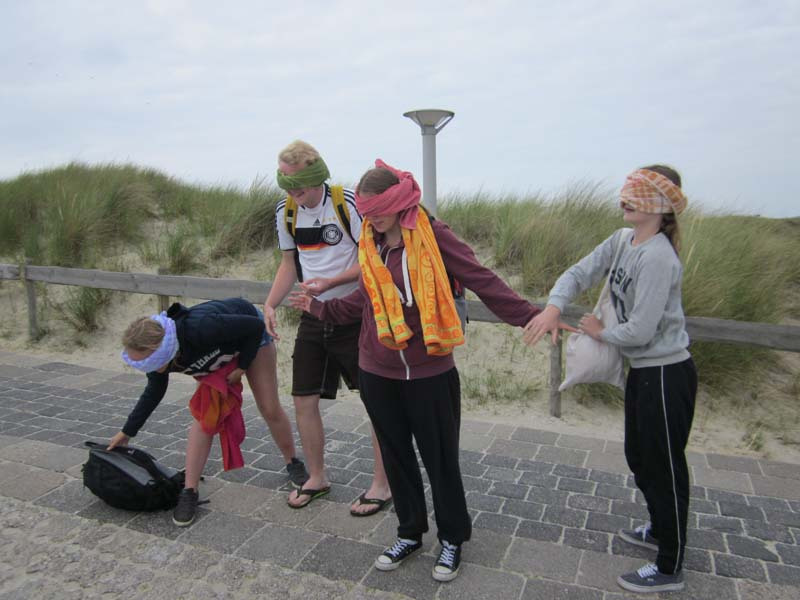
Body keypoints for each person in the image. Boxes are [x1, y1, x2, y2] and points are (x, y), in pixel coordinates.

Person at [289, 160, 573, 582]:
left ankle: (452, 538)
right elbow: (367, 299)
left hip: (429, 371)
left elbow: (481, 279)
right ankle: (409, 532)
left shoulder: (433, 235)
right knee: (395, 457)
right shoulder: (371, 241)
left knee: (440, 461)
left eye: (377, 210)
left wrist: (529, 315)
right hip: (376, 369)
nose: (370, 219)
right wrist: (321, 309)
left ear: (398, 201)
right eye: (365, 212)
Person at [524, 165, 696, 594]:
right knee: (639, 458)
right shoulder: (623, 241)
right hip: (643, 372)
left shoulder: (658, 257)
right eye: (626, 191)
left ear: (660, 204)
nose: (625, 199)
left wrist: (600, 333)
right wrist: (553, 306)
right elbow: (578, 273)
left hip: (666, 373)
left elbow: (641, 330)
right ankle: (659, 529)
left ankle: (669, 564)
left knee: (664, 466)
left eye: (636, 193)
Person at [265, 140, 392, 514]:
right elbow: (289, 263)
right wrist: (270, 304)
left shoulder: (347, 203)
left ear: (315, 175)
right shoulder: (286, 211)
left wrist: (331, 283)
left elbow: (371, 259)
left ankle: (382, 484)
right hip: (312, 315)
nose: (293, 192)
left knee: (376, 401)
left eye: (298, 185)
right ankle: (317, 477)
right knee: (303, 399)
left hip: (354, 316)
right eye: (285, 184)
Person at [108, 297, 307, 526]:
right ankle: (189, 491)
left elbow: (254, 327)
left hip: (249, 337)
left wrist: (242, 366)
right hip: (215, 353)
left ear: (159, 351)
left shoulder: (200, 328)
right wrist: (127, 432)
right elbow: (153, 393)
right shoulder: (157, 360)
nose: (145, 369)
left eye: (145, 363)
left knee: (269, 407)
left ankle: (293, 462)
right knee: (205, 417)